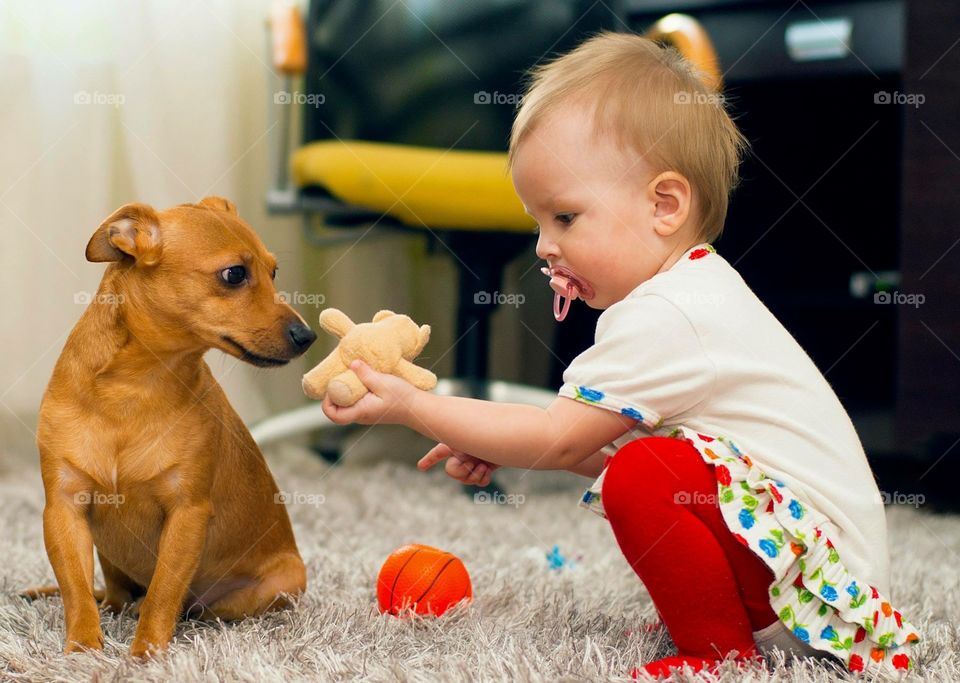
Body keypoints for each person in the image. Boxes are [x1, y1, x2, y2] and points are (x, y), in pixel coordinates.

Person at [322, 31, 921, 676]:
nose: (544, 247)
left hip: (819, 589)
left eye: (565, 218)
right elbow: (602, 452)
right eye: (537, 223)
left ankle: (715, 653)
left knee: (648, 477)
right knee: (647, 468)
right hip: (817, 576)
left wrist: (417, 406)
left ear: (664, 205)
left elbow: (560, 439)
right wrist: (494, 439)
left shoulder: (666, 313)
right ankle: (723, 614)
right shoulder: (695, 285)